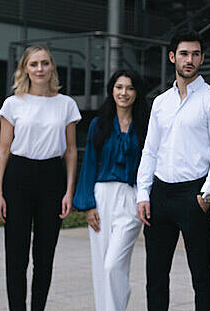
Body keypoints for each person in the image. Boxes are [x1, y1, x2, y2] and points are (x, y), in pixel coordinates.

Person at [136, 30, 210, 311]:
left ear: (202, 58)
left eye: (195, 54)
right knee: (155, 275)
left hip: (194, 195)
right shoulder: (160, 102)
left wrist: (207, 194)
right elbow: (150, 150)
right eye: (184, 54)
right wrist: (143, 193)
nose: (189, 60)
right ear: (172, 57)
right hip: (160, 193)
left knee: (201, 276)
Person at [0, 44, 81, 311]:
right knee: (16, 254)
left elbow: (71, 150)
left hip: (52, 177)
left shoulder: (66, 104)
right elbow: (4, 149)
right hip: (18, 176)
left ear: (52, 66)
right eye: (34, 64)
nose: (40, 69)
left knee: (45, 255)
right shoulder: (13, 103)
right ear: (25, 69)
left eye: (44, 63)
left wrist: (69, 191)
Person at [73, 70, 148, 311]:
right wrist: (88, 204)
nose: (124, 93)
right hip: (102, 196)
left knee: (113, 265)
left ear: (137, 93)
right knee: (101, 265)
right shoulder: (99, 123)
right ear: (111, 90)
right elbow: (90, 164)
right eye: (119, 87)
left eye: (129, 88)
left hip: (131, 196)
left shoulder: (145, 124)